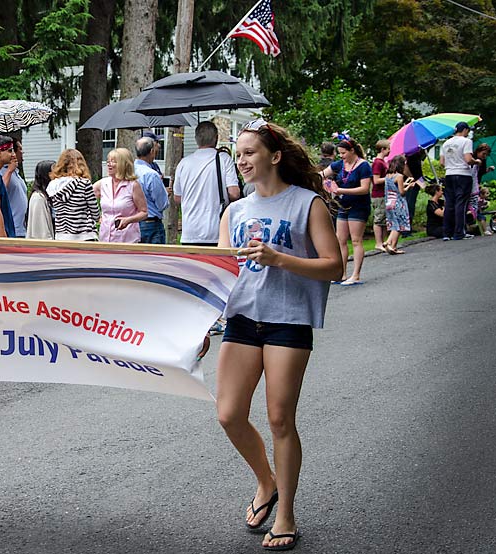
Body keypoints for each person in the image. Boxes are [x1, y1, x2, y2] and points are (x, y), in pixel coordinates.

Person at [217, 119, 342, 551]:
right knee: (229, 414)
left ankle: (285, 512)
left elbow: (334, 266)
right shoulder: (234, 211)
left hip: (288, 318)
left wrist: (280, 259)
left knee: (279, 418)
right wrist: (203, 324)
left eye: (249, 152)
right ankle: (265, 482)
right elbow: (223, 272)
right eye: (238, 155)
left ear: (273, 156)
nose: (242, 160)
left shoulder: (307, 204)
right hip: (241, 319)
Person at [173, 121, 240, 246]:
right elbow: (234, 193)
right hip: (216, 231)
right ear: (216, 138)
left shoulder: (183, 163)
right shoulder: (224, 159)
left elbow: (177, 198)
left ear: (196, 139)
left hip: (189, 233)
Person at [320, 138, 372, 285]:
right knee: (340, 239)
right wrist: (325, 182)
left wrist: (340, 190)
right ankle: (341, 273)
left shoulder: (363, 166)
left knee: (356, 240)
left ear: (352, 151)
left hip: (359, 206)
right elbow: (322, 174)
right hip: (343, 205)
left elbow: (364, 189)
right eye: (340, 153)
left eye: (343, 153)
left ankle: (356, 275)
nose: (341, 156)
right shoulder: (339, 165)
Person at [94, 148, 148, 243]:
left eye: (113, 162)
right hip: (105, 240)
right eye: (108, 161)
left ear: (124, 164)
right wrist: (97, 216)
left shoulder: (133, 186)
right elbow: (85, 198)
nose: (109, 164)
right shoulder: (103, 183)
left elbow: (144, 212)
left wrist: (128, 220)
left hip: (127, 240)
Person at [47, 148, 100, 241]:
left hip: (62, 235)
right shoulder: (84, 184)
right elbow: (95, 213)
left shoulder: (53, 185)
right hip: (84, 235)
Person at [440, 122, 476, 240]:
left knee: (449, 203)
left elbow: (441, 162)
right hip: (463, 174)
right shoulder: (466, 141)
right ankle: (459, 232)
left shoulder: (445, 143)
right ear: (465, 130)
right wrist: (477, 161)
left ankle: (446, 233)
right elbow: (468, 159)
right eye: (468, 130)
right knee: (461, 203)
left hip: (449, 174)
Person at [133, 136, 170, 244]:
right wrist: (165, 193)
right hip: (151, 225)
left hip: (133, 223)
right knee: (154, 259)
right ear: (152, 151)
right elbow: (162, 204)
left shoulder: (129, 171)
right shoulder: (151, 175)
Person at [383, 155, 413, 254]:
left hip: (389, 202)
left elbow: (393, 187)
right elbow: (402, 192)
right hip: (398, 202)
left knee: (394, 224)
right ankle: (390, 244)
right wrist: (409, 187)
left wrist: (406, 183)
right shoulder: (399, 176)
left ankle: (391, 245)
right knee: (399, 225)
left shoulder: (388, 176)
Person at [1, 139, 28, 237]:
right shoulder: (2, 172)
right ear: (13, 153)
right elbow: (0, 190)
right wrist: (9, 171)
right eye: (20, 149)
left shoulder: (16, 173)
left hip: (23, 228)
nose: (22, 152)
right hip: (13, 228)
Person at [26, 160, 55, 239]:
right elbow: (41, 231)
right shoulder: (38, 198)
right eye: (54, 171)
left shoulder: (49, 195)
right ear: (46, 175)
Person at [469, 144, 493, 236]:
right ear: (478, 151)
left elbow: (481, 173)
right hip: (471, 185)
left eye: (486, 154)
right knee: (472, 206)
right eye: (483, 154)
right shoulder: (472, 159)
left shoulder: (483, 160)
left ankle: (475, 226)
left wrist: (488, 169)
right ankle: (471, 225)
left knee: (475, 207)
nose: (484, 156)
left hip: (476, 183)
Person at [371, 140, 390, 252]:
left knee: (383, 219)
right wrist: (390, 178)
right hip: (378, 194)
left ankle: (383, 242)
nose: (389, 150)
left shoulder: (382, 162)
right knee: (379, 218)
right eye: (388, 148)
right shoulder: (378, 163)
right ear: (382, 149)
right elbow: (376, 180)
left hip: (383, 193)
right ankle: (378, 242)